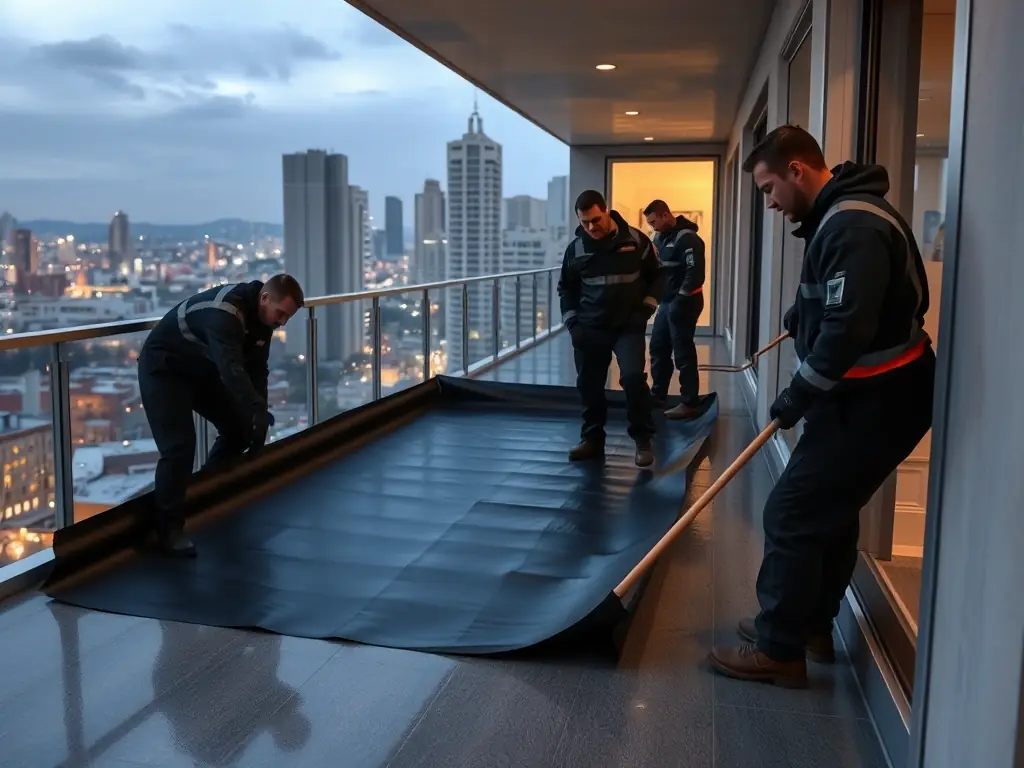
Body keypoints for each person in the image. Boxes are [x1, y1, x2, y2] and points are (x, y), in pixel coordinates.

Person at [708, 125, 936, 688]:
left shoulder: (852, 223)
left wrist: (796, 394)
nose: (769, 202)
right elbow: (838, 300)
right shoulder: (840, 216)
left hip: (880, 397)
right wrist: (800, 316)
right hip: (865, 396)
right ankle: (807, 625)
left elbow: (848, 328)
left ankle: (778, 649)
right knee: (827, 515)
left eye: (767, 189)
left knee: (790, 512)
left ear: (797, 171)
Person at [138, 275, 304, 557]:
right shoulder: (225, 313)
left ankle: (203, 493)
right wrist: (255, 409)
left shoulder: (263, 321)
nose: (282, 322)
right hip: (165, 370)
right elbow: (231, 369)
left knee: (238, 430)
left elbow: (257, 371)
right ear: (265, 298)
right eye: (281, 314)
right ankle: (167, 531)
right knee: (178, 447)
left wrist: (258, 414)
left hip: (199, 370)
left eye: (287, 317)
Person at [557, 189, 661, 468]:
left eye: (596, 219)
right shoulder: (576, 249)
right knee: (589, 385)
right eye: (585, 222)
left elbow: (658, 277)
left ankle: (642, 439)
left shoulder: (637, 240)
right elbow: (565, 289)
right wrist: (572, 324)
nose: (592, 227)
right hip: (590, 328)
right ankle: (592, 439)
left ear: (607, 211)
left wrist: (645, 310)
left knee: (633, 379)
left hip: (628, 326)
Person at [643, 199, 706, 417]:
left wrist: (681, 297)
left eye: (654, 222)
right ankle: (658, 396)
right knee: (658, 348)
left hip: (684, 302)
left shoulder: (687, 238)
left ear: (665, 215)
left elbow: (695, 273)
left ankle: (689, 402)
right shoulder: (659, 239)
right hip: (666, 302)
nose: (653, 227)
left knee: (682, 350)